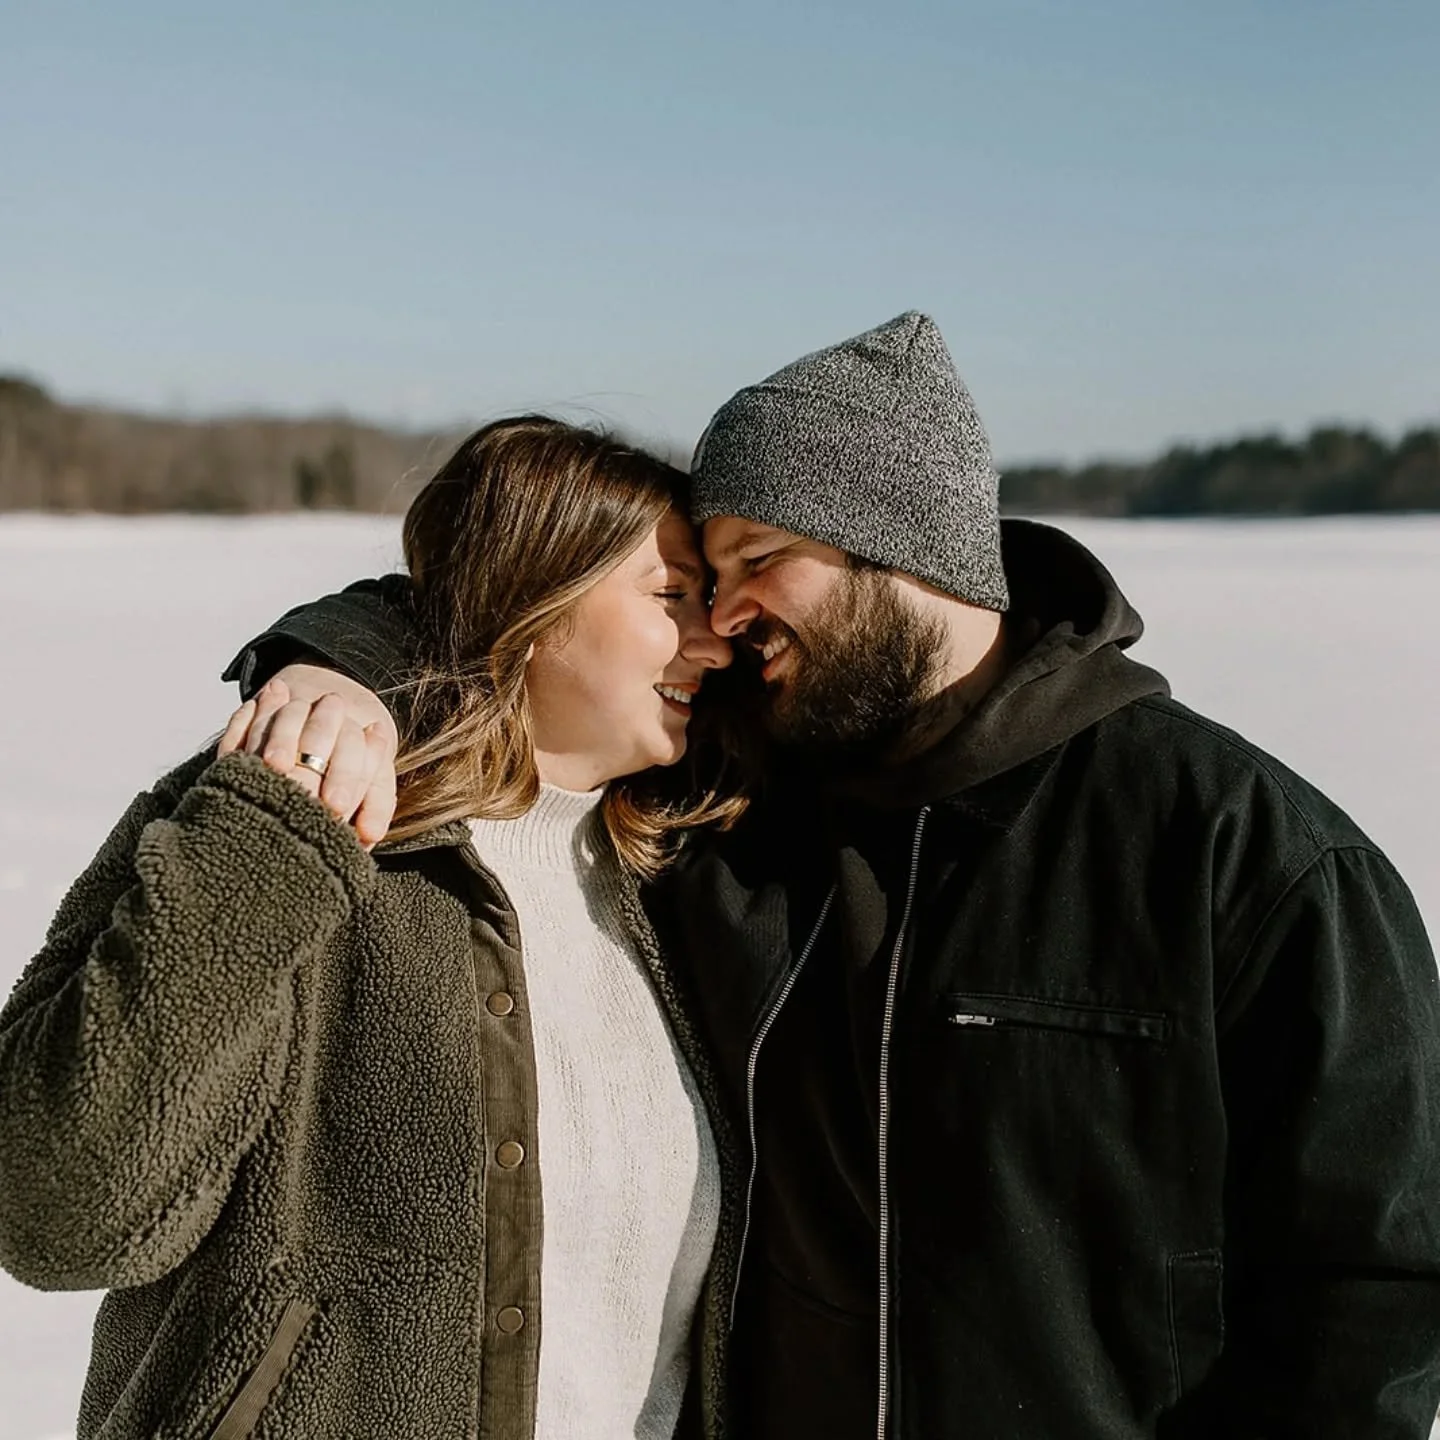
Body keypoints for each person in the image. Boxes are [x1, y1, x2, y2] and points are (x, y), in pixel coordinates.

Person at [222, 314, 1440, 1439]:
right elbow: (504, 610)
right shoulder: (729, 798)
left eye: (759, 558)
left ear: (901, 544)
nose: (724, 618)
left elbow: (1374, 1288)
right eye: (705, 577)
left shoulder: (1237, 849)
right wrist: (330, 661)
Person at [0, 416, 747, 1440]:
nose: (713, 639)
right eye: (671, 597)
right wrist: (273, 825)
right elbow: (56, 1211)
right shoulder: (296, 828)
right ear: (535, 598)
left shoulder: (689, 885)